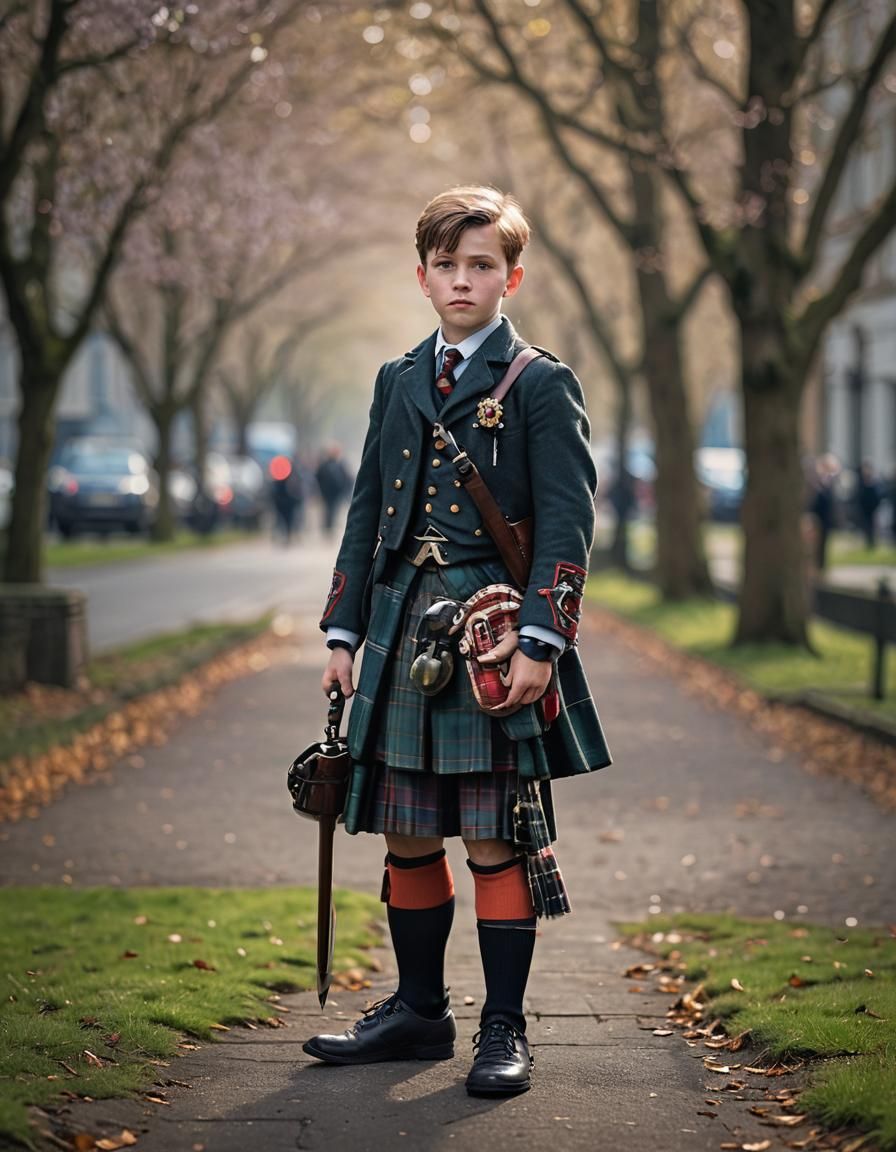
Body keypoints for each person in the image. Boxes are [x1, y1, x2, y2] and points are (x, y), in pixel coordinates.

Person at [303, 186, 611, 1096]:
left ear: (511, 276)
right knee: (404, 831)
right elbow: (366, 512)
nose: (463, 279)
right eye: (447, 264)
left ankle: (503, 1029)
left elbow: (567, 525)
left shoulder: (542, 383)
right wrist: (342, 628)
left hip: (491, 631)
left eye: (482, 264)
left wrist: (541, 640)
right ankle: (417, 1012)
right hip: (400, 623)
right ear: (423, 275)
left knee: (493, 839)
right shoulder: (397, 380)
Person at [315, 442, 353, 537]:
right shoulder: (324, 465)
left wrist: (345, 490)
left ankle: (330, 527)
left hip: (337, 493)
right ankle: (327, 528)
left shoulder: (341, 464)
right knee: (328, 510)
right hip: (326, 493)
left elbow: (347, 478)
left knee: (334, 510)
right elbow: (318, 477)